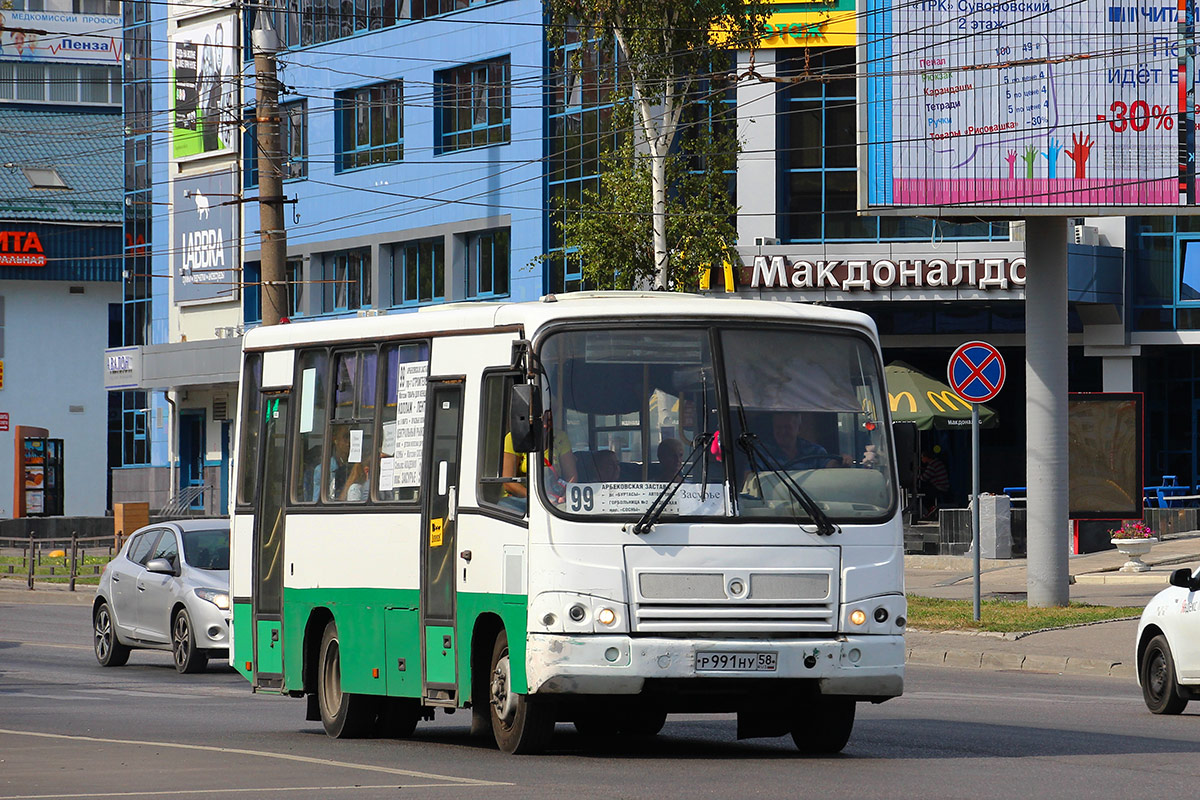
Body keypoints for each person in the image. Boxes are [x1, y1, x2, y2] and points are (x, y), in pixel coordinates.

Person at [500, 411, 577, 510]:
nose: (544, 425)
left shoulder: (560, 438)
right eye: (540, 420)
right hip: (519, 500)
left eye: (548, 421)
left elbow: (571, 476)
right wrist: (539, 499)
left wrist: (563, 495)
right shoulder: (513, 438)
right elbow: (508, 482)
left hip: (554, 499)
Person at [763, 411, 842, 470]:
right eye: (778, 427)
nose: (783, 432)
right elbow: (752, 476)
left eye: (787, 427)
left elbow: (829, 467)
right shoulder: (762, 452)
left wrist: (842, 461)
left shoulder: (815, 451)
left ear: (799, 429)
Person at [328, 425, 367, 502]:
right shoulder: (324, 470)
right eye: (346, 437)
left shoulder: (359, 464)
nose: (349, 442)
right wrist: (352, 477)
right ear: (335, 440)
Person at [918, 449, 950, 519]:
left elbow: (924, 478)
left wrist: (917, 476)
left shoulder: (932, 465)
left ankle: (930, 509)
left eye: (922, 457)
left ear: (926, 457)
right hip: (943, 486)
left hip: (940, 487)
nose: (921, 459)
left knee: (921, 494)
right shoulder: (936, 463)